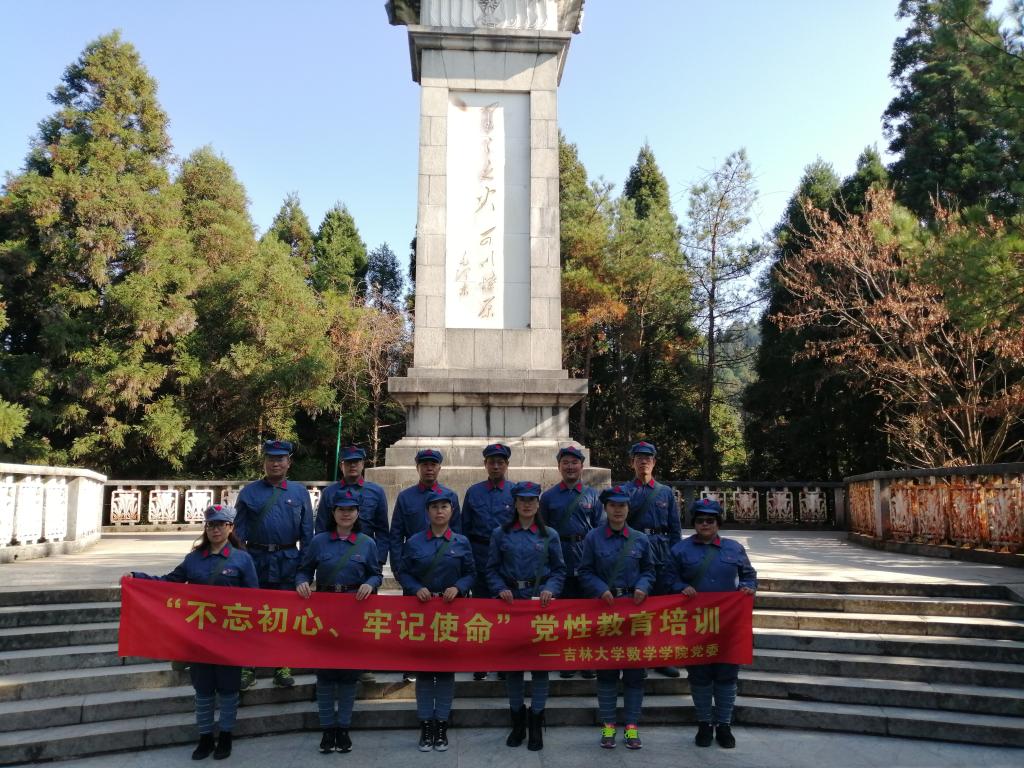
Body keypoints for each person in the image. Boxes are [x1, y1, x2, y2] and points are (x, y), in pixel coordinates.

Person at [123, 504, 257, 761]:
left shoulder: (242, 559)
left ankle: (225, 736)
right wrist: (137, 577)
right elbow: (169, 582)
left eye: (221, 525)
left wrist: (249, 638)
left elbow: (254, 599)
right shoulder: (194, 559)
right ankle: (205, 737)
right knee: (203, 689)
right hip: (199, 636)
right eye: (211, 525)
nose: (215, 529)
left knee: (228, 690)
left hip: (230, 637)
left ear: (231, 527)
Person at [661, 498, 757, 749]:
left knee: (727, 675)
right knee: (699, 675)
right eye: (701, 520)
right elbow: (668, 579)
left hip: (728, 625)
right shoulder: (680, 550)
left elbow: (749, 575)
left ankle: (724, 725)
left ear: (718, 523)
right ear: (694, 523)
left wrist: (748, 587)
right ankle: (704, 723)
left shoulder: (734, 548)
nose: (705, 524)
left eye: (710, 520)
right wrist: (681, 587)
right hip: (695, 625)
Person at [296, 489, 382, 754]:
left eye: (351, 510)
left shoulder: (367, 543)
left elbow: (376, 573)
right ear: (333, 513)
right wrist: (301, 582)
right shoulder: (319, 541)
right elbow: (303, 569)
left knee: (348, 674)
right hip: (325, 613)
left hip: (353, 613)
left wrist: (370, 583)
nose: (346, 514)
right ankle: (327, 729)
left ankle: (343, 728)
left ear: (357, 514)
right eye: (341, 509)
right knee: (324, 674)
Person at [485, 480, 566, 751]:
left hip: (539, 607)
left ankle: (536, 721)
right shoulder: (500, 534)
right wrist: (500, 588)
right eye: (522, 500)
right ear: (515, 503)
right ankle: (517, 721)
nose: (527, 504)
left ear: (538, 504)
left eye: (532, 500)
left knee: (540, 666)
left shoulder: (550, 535)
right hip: (511, 607)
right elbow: (491, 569)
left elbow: (559, 570)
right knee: (513, 667)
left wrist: (551, 589)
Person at [396, 490, 475, 752]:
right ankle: (425, 725)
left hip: (450, 614)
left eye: (444, 507)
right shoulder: (415, 542)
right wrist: (415, 587)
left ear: (452, 511)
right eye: (434, 507)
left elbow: (471, 573)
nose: (439, 511)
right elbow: (403, 572)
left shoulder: (461, 542)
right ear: (427, 512)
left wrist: (459, 587)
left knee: (444, 672)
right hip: (422, 614)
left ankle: (441, 723)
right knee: (424, 671)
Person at [577, 485, 655, 751]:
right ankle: (608, 725)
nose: (618, 510)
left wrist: (643, 585)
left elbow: (649, 570)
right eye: (613, 505)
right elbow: (585, 571)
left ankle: (632, 726)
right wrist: (600, 589)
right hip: (606, 613)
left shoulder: (640, 539)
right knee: (607, 672)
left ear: (628, 508)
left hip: (634, 612)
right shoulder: (593, 538)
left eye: (622, 505)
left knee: (635, 673)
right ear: (605, 508)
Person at [233, 439, 313, 690]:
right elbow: (238, 534)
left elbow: (307, 536)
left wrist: (304, 573)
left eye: (280, 459)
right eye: (271, 459)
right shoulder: (249, 492)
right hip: (256, 561)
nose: (275, 463)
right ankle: (248, 666)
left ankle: (282, 665)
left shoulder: (299, 493)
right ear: (264, 462)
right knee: (252, 615)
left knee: (284, 616)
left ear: (289, 462)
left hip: (288, 561)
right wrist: (243, 564)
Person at [388, 447, 461, 684]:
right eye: (425, 464)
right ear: (418, 467)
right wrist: (398, 569)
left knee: (443, 621)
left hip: (444, 568)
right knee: (414, 622)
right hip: (415, 568)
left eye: (433, 464)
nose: (429, 468)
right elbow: (396, 534)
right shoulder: (406, 497)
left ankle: (443, 663)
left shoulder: (450, 496)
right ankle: (412, 665)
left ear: (439, 467)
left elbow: (458, 534)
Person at [538, 444, 603, 679]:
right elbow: (543, 532)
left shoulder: (593, 495)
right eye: (565, 463)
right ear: (559, 467)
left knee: (587, 610)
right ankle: (567, 658)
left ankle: (587, 658)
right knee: (564, 610)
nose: (570, 467)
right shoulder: (548, 497)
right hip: (561, 557)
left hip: (585, 557)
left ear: (581, 466)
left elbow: (600, 529)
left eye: (574, 462)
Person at [624, 440, 682, 678]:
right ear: (632, 463)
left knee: (660, 606)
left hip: (661, 553)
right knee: (636, 606)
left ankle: (661, 657)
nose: (643, 462)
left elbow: (675, 528)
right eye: (639, 458)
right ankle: (637, 656)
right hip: (635, 554)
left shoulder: (665, 492)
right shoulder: (626, 491)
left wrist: (675, 557)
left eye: (647, 458)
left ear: (654, 462)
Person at [461, 442, 515, 681]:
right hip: (479, 553)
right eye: (491, 462)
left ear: (507, 465)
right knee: (480, 611)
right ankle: (480, 661)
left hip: (506, 558)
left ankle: (503, 661)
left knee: (505, 611)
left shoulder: (515, 492)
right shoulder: (474, 492)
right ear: (485, 464)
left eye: (500, 462)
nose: (496, 466)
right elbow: (464, 528)